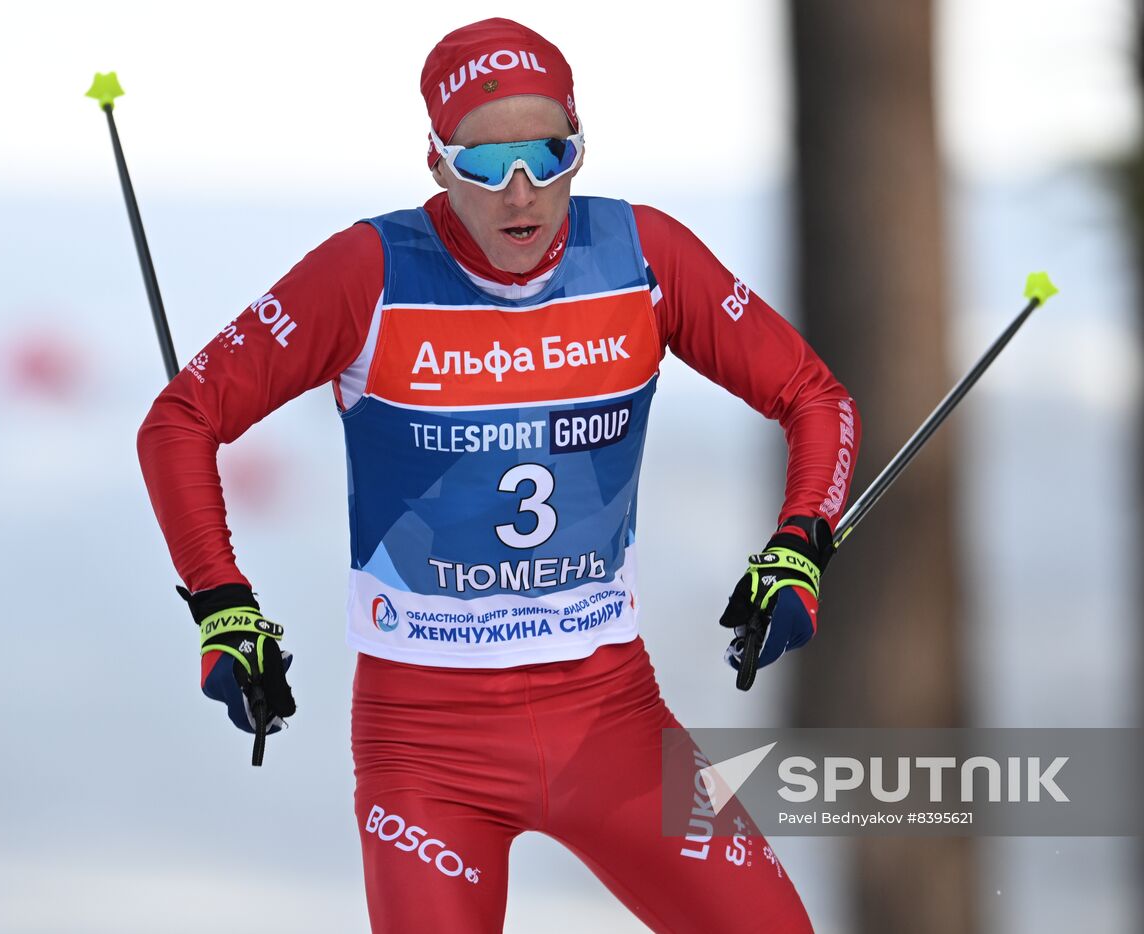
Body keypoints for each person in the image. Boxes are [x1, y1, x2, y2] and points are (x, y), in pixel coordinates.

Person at [137, 17, 858, 933]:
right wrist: (220, 605)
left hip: (613, 723)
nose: (522, 192)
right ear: (436, 163)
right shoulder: (369, 272)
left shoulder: (642, 255)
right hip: (426, 751)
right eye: (483, 164)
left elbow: (815, 395)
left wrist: (800, 545)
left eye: (548, 155)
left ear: (579, 149)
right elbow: (181, 420)